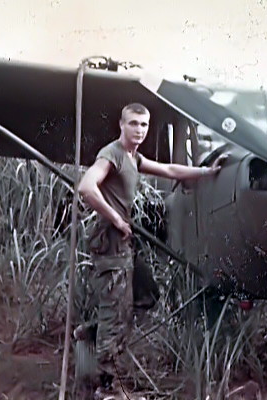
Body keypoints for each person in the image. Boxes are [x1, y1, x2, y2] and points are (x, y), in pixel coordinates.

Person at [77, 102, 225, 397]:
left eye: (144, 125)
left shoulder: (134, 157)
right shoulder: (112, 155)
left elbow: (169, 169)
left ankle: (89, 333)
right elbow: (86, 188)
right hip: (110, 246)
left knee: (147, 296)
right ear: (122, 125)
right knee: (115, 315)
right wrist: (116, 218)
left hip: (125, 245)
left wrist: (206, 172)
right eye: (133, 124)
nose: (139, 130)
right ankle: (107, 388)